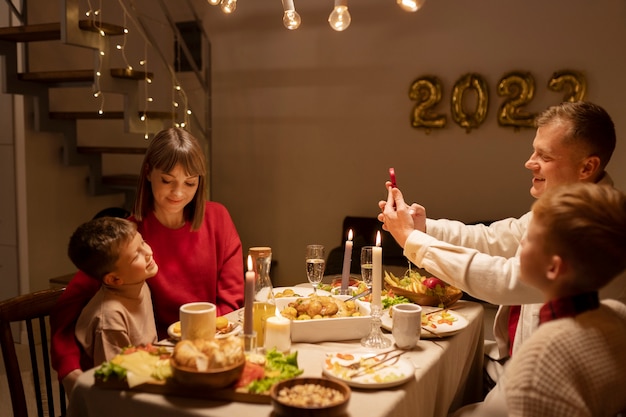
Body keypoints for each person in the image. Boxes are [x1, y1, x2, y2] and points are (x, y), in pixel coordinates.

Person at [378, 101, 626, 390]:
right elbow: (495, 237)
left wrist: (413, 241)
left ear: (587, 166)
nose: (529, 162)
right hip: (511, 364)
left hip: (552, 385)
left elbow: (507, 280)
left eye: (544, 156)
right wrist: (424, 227)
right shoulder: (568, 203)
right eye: (534, 150)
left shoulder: (596, 225)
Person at [51, 127, 245, 393]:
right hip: (160, 360)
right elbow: (67, 309)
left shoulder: (218, 218)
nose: (179, 192)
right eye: (167, 180)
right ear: (148, 173)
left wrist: (205, 347)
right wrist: (69, 369)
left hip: (214, 345)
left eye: (190, 182)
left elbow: (232, 301)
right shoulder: (129, 239)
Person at [458, 183, 626, 416]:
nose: (521, 243)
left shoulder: (540, 361)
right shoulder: (617, 314)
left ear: (553, 268)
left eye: (529, 239)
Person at [69, 217, 158, 366]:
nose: (148, 252)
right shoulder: (109, 319)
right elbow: (115, 380)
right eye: (136, 255)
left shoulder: (138, 284)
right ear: (114, 279)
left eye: (142, 242)